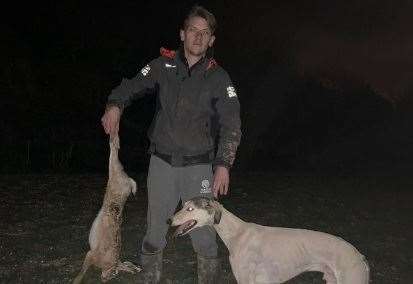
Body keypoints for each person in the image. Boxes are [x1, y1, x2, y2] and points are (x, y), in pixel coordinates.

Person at [101, 5, 241, 283]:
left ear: (212, 40)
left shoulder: (218, 77)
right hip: (162, 164)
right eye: (193, 31)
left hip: (199, 168)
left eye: (205, 33)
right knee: (155, 231)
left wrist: (223, 164)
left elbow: (231, 123)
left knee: (204, 235)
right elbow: (130, 86)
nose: (198, 38)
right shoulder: (162, 66)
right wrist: (114, 105)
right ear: (182, 34)